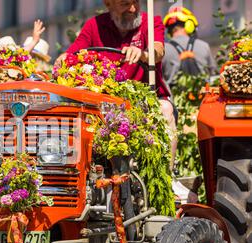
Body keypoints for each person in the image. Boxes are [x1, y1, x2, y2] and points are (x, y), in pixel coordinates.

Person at [53, 0, 186, 201]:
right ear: (109, 4)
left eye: (135, 3)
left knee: (166, 109)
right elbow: (74, 52)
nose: (133, 9)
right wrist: (63, 58)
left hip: (144, 101)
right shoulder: (94, 25)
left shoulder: (151, 22)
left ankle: (166, 180)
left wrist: (144, 54)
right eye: (125, 4)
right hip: (104, 104)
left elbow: (159, 51)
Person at [162, 6, 217, 86]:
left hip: (174, 97)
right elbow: (213, 75)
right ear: (189, 26)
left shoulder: (163, 50)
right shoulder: (204, 46)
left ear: (169, 32)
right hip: (203, 97)